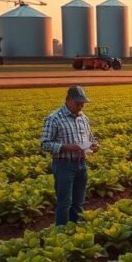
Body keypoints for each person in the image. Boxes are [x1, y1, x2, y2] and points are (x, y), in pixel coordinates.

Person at [41, 85, 99, 226]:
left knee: (79, 202)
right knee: (64, 202)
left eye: (82, 103)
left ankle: (74, 231)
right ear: (67, 100)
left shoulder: (83, 118)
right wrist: (66, 147)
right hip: (63, 165)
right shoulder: (54, 118)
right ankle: (61, 233)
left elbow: (90, 138)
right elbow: (44, 144)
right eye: (77, 103)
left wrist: (94, 145)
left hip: (81, 164)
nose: (80, 106)